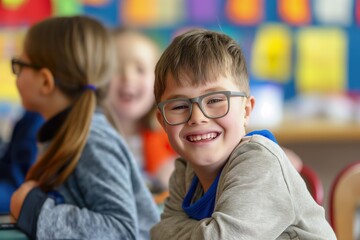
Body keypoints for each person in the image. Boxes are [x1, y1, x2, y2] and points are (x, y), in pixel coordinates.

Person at [150, 29, 336, 239]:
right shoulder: (183, 174)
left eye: (214, 100)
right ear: (162, 122)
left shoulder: (259, 162)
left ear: (246, 110)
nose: (197, 117)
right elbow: (158, 233)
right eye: (179, 106)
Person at [9, 15, 159, 239]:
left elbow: (121, 230)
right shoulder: (66, 132)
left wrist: (36, 210)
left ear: (45, 81)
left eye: (19, 65)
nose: (16, 74)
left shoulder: (93, 140)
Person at [105, 27, 177, 192]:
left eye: (140, 69)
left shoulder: (176, 140)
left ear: (158, 81)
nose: (128, 78)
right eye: (115, 68)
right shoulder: (84, 139)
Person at [0, 110, 44, 213]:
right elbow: (8, 163)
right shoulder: (32, 115)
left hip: (19, 192)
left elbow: (21, 182)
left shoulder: (40, 121)